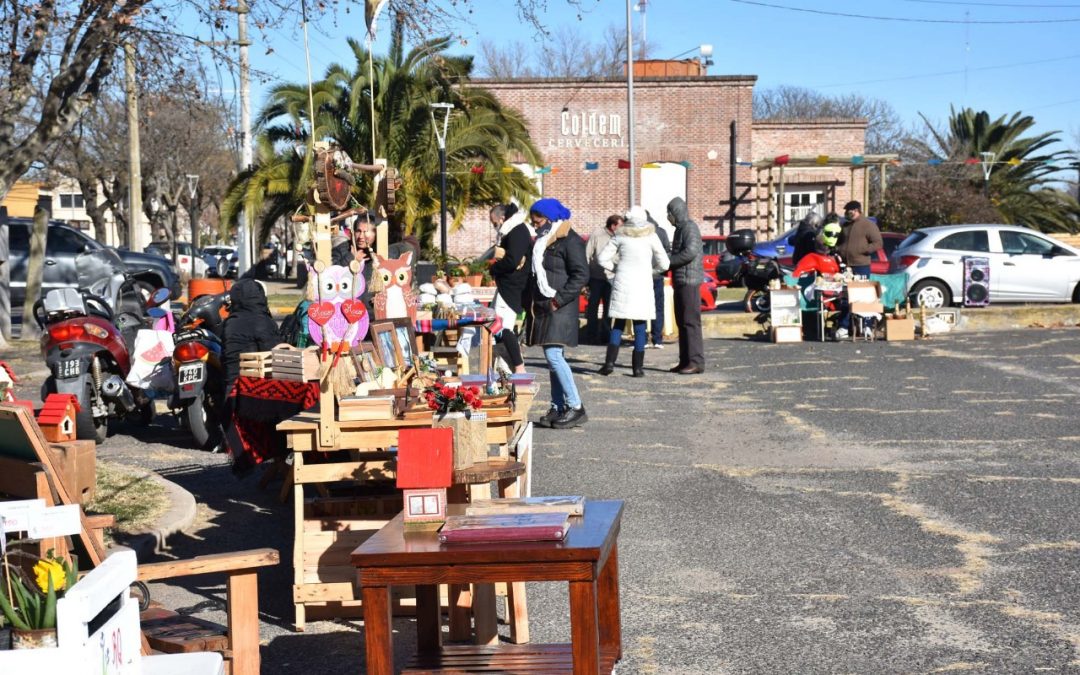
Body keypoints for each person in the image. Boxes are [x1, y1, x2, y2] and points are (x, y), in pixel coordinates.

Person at [525, 198, 590, 429]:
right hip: (545, 305)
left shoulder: (570, 240)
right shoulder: (545, 240)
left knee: (554, 356)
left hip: (559, 306)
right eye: (533, 221)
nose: (535, 225)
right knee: (552, 358)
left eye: (538, 220)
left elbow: (581, 274)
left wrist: (559, 299)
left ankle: (575, 406)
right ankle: (558, 405)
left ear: (551, 218)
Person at [597, 206, 670, 377]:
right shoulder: (651, 236)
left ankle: (609, 364)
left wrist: (616, 268)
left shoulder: (620, 235)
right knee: (640, 325)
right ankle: (638, 369)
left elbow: (602, 258)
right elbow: (665, 264)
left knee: (618, 325)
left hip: (622, 282)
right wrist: (652, 271)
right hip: (642, 284)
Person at [488, 203, 531, 373]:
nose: (494, 226)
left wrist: (494, 269)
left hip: (512, 286)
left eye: (494, 222)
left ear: (501, 218)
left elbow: (512, 260)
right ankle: (504, 365)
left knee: (502, 326)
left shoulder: (517, 231)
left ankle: (519, 367)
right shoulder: (512, 230)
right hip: (507, 284)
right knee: (496, 325)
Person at [222, 278, 281, 398]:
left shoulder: (230, 322)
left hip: (230, 388)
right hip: (255, 389)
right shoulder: (263, 321)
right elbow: (274, 355)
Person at [665, 197, 705, 375]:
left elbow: (690, 251)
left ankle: (696, 361)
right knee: (682, 322)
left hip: (690, 281)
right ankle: (684, 360)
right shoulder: (680, 229)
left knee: (690, 322)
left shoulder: (689, 227)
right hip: (681, 280)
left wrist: (669, 262)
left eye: (670, 213)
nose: (668, 216)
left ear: (677, 212)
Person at [584, 214, 620, 344]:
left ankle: (606, 335)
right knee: (593, 306)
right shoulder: (597, 234)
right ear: (613, 226)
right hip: (596, 277)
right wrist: (586, 275)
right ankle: (591, 335)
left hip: (611, 277)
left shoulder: (619, 237)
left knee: (609, 308)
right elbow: (587, 254)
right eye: (619, 226)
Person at [645, 210, 671, 349]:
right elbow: (667, 249)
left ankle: (642, 339)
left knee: (642, 308)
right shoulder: (661, 232)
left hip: (643, 276)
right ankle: (657, 339)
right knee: (658, 307)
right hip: (658, 274)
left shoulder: (639, 232)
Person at [837, 200, 882, 278]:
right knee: (846, 289)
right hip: (845, 265)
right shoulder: (845, 225)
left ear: (856, 210)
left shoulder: (868, 225)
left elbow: (878, 243)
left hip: (861, 266)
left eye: (848, 211)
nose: (846, 213)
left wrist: (863, 249)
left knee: (860, 289)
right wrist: (838, 251)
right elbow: (839, 242)